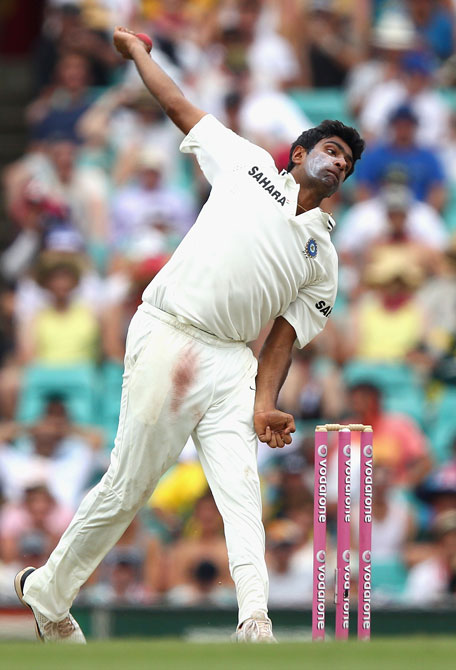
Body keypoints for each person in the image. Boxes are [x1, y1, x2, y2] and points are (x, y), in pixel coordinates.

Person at [14, 26, 364, 644]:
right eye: (332, 149)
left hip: (231, 361)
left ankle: (254, 622)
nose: (338, 162)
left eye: (347, 161)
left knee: (240, 491)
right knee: (129, 484)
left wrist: (264, 402)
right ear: (298, 152)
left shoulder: (323, 255)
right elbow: (179, 107)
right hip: (170, 332)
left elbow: (283, 335)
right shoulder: (250, 165)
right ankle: (48, 591)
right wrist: (140, 54)